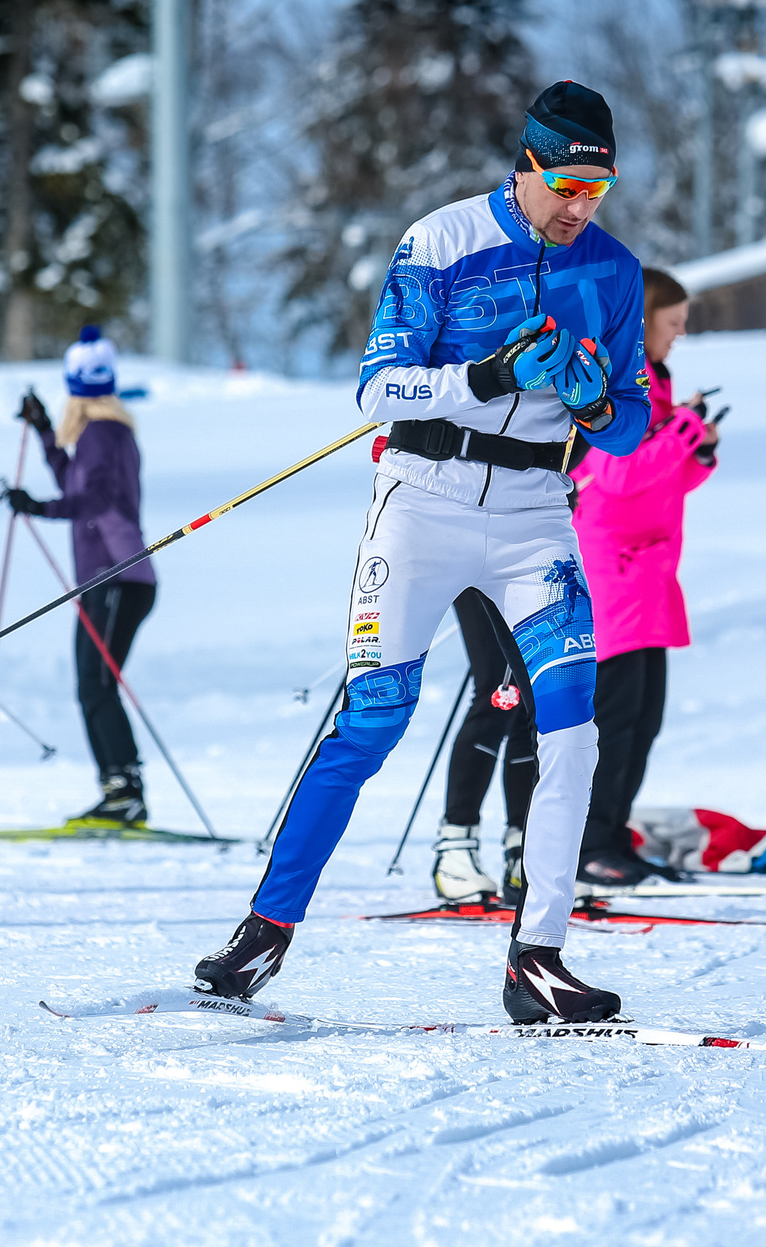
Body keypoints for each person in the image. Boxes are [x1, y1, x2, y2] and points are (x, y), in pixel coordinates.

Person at [194, 80, 652, 1025]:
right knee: (374, 720)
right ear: (526, 163)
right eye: (566, 184)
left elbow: (632, 426)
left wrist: (597, 402)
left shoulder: (613, 271)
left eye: (596, 192)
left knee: (572, 724)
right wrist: (484, 376)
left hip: (535, 508)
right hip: (424, 499)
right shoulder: (439, 242)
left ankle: (539, 954)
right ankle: (265, 928)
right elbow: (377, 391)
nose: (579, 207)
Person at [571, 267, 719, 888]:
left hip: (650, 573)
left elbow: (662, 479)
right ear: (646, 320)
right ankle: (587, 844)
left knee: (644, 718)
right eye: (674, 322)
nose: (681, 334)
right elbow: (620, 474)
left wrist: (699, 452)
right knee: (615, 718)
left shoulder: (657, 384)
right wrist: (684, 429)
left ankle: (612, 835)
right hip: (615, 572)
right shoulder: (620, 380)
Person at [2, 327, 157, 827]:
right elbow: (76, 482)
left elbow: (92, 499)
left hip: (115, 576)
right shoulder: (108, 432)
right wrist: (45, 430)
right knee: (96, 685)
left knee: (95, 685)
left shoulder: (100, 434)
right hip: (113, 579)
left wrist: (36, 506)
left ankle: (123, 793)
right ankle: (123, 790)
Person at [430, 589, 541, 903]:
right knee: (497, 690)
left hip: (528, 558)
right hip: (476, 561)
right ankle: (455, 851)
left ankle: (522, 852)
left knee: (528, 696)